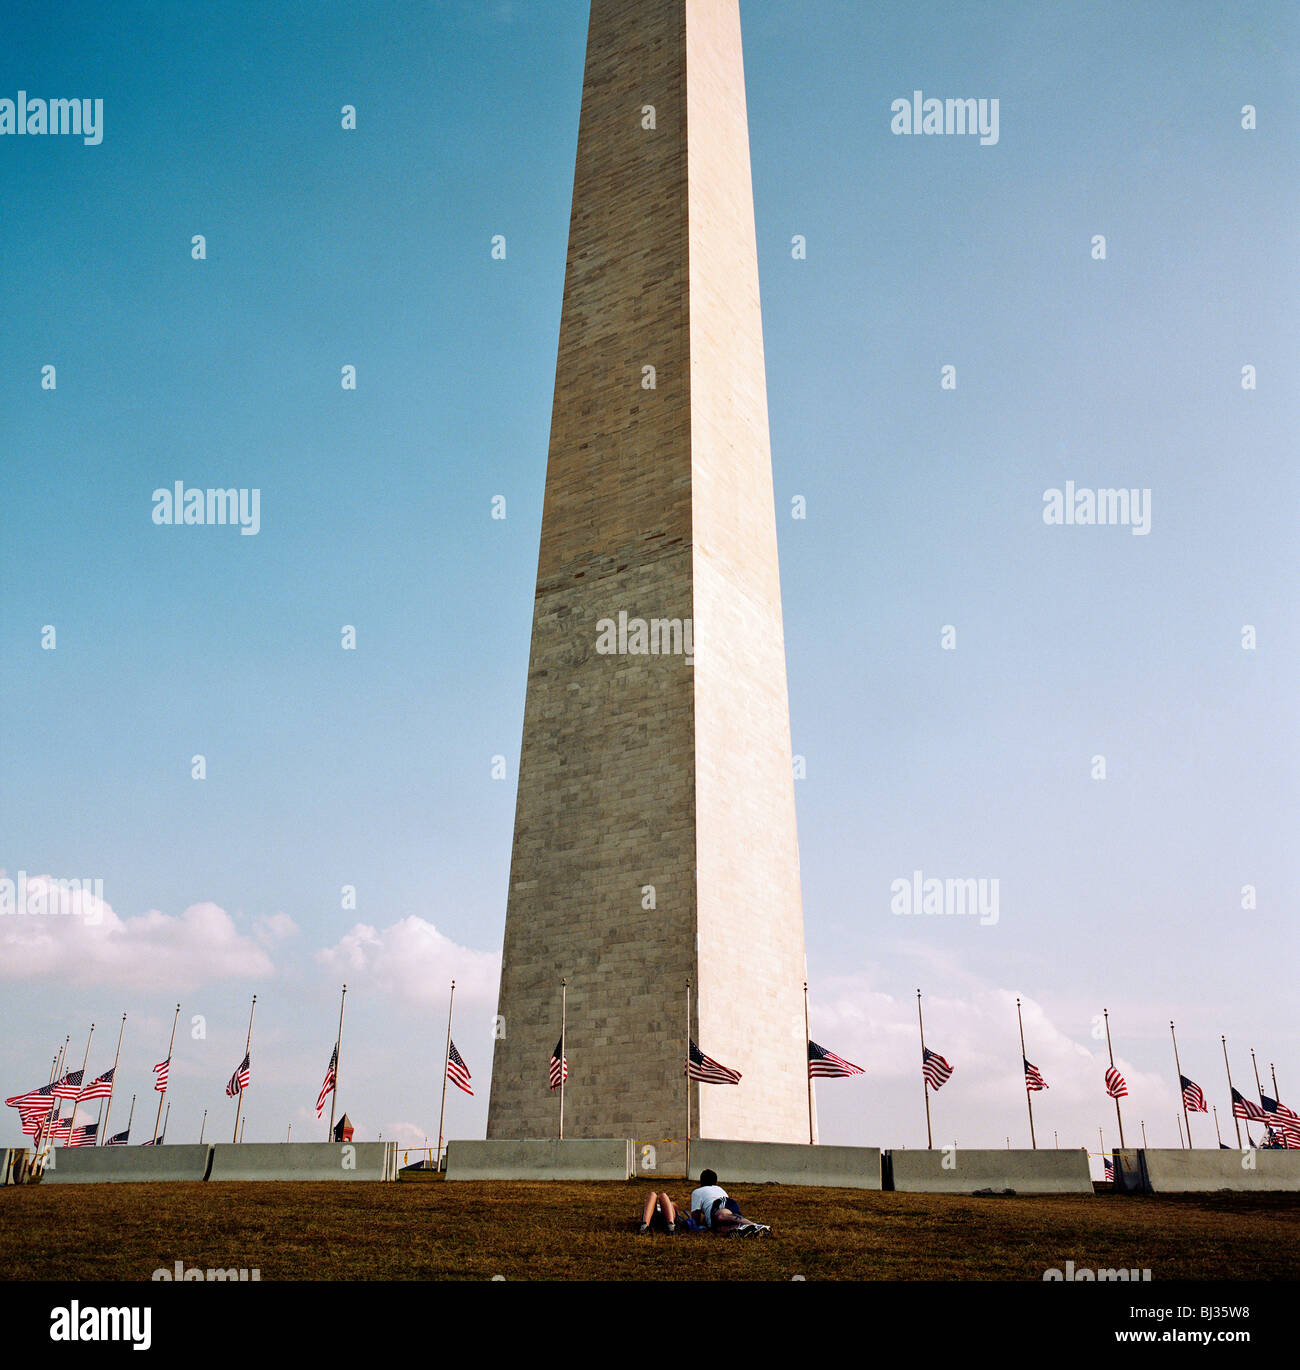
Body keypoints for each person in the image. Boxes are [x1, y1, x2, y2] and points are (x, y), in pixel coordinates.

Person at [688, 1169, 770, 1236]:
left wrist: (695, 1224)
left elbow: (696, 1214)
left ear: (701, 1181)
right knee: (719, 1229)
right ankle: (743, 1229)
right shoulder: (719, 1189)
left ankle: (755, 1225)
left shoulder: (697, 1192)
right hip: (722, 1209)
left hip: (720, 1204)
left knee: (721, 1216)